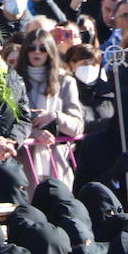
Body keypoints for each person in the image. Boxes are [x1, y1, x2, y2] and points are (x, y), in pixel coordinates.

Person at [17, 28, 85, 191]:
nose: (37, 52)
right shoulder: (14, 80)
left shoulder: (65, 81)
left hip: (57, 162)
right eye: (31, 48)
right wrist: (33, 133)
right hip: (24, 161)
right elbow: (7, 125)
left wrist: (54, 116)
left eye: (43, 48)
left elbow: (77, 126)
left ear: (50, 52)